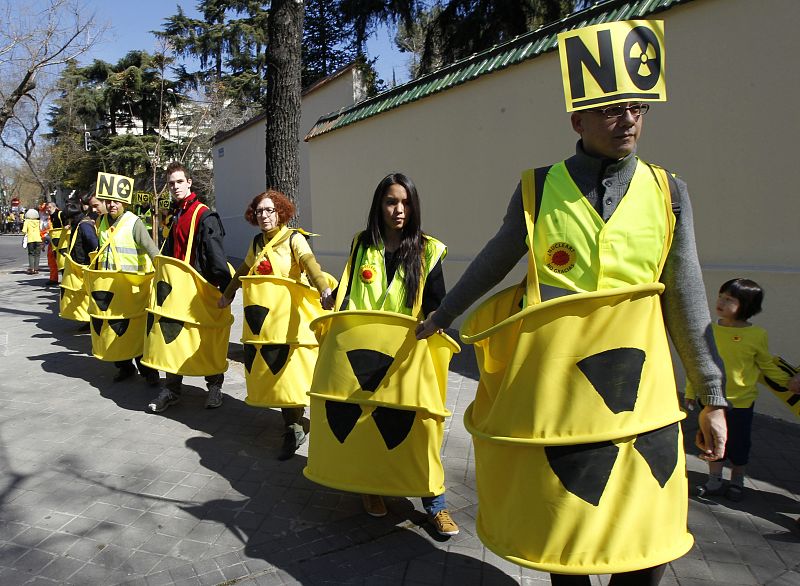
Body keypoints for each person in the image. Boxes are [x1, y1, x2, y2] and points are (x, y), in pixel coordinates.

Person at [417, 90, 728, 586]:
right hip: (562, 400)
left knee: (648, 540)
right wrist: (444, 314)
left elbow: (686, 294)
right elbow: (495, 259)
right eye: (612, 110)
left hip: (641, 401)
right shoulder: (539, 188)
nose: (628, 120)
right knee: (566, 534)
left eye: (637, 109)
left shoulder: (669, 191)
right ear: (578, 121)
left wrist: (711, 395)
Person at [329, 172, 459, 536]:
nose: (398, 210)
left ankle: (435, 503)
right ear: (379, 205)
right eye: (391, 202)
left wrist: (437, 321)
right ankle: (371, 487)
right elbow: (348, 293)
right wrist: (331, 298)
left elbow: (437, 304)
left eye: (405, 202)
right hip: (365, 354)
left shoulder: (429, 250)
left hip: (408, 356)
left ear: (414, 207)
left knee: (420, 430)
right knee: (368, 423)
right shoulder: (362, 244)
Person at [218, 189, 333, 459]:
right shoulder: (257, 242)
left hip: (290, 319)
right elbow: (244, 270)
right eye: (259, 211)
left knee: (289, 372)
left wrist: (324, 289)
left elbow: (310, 264)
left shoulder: (294, 239)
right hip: (265, 323)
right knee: (275, 370)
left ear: (280, 212)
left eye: (269, 210)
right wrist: (228, 294)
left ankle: (295, 426)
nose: (264, 215)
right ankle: (293, 422)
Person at [687, 278, 800, 501]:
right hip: (710, 399)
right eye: (721, 296)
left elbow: (766, 365)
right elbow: (698, 363)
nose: (721, 301)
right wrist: (691, 391)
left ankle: (737, 480)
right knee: (712, 442)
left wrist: (789, 383)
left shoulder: (757, 335)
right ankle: (714, 480)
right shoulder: (708, 330)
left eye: (729, 299)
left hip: (742, 402)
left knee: (739, 445)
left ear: (746, 306)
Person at [147, 162, 232, 413]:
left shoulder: (204, 215)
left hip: (200, 289)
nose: (175, 187)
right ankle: (172, 390)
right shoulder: (176, 214)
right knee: (172, 338)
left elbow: (215, 255)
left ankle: (214, 387)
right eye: (171, 183)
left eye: (179, 182)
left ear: (189, 183)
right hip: (176, 290)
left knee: (205, 338)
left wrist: (226, 290)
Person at [95, 184, 160, 385]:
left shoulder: (134, 222)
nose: (112, 205)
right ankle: (124, 366)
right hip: (110, 288)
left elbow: (152, 250)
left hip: (133, 288)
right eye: (108, 201)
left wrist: (163, 273)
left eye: (116, 201)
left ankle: (149, 372)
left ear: (124, 202)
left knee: (136, 330)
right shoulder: (101, 221)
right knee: (114, 328)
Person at [45, 201, 65, 285]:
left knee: (62, 261)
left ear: (54, 207)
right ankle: (53, 278)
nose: (48, 209)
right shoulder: (50, 217)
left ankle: (65, 280)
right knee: (52, 260)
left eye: (50, 207)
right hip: (53, 241)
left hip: (62, 241)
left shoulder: (60, 214)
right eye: (47, 208)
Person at [22, 208, 43, 275]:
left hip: (30, 239)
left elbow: (24, 231)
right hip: (38, 239)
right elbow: (42, 229)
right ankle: (36, 269)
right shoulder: (39, 221)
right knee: (37, 254)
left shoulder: (27, 221)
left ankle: (32, 268)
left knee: (31, 254)